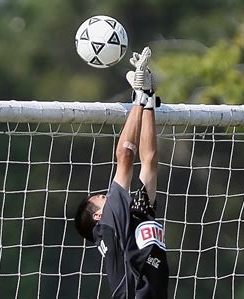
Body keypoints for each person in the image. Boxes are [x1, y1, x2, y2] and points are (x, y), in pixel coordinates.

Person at [74, 47, 169, 299]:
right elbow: (131, 157)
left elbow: (147, 161)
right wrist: (140, 98)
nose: (106, 194)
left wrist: (147, 98)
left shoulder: (119, 224)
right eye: (100, 197)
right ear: (97, 215)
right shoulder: (110, 225)